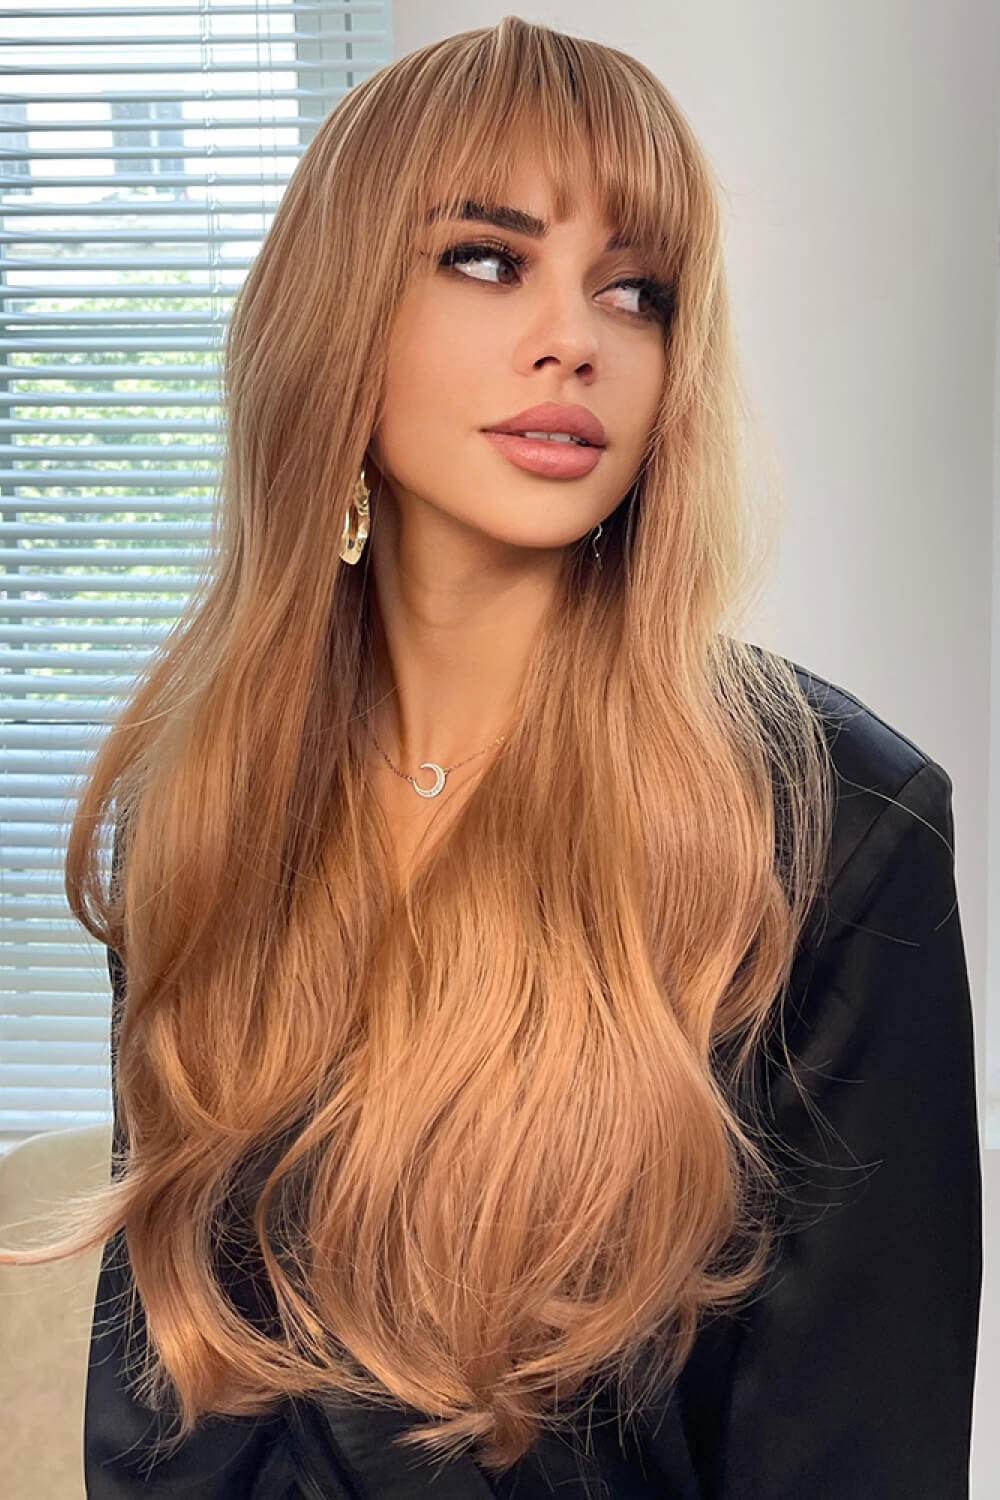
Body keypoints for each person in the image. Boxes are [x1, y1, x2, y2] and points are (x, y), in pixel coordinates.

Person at [0, 16, 981, 1498]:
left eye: (636, 291)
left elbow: (853, 1459)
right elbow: (162, 1413)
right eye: (486, 257)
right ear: (338, 311)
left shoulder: (831, 830)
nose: (576, 338)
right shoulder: (205, 801)